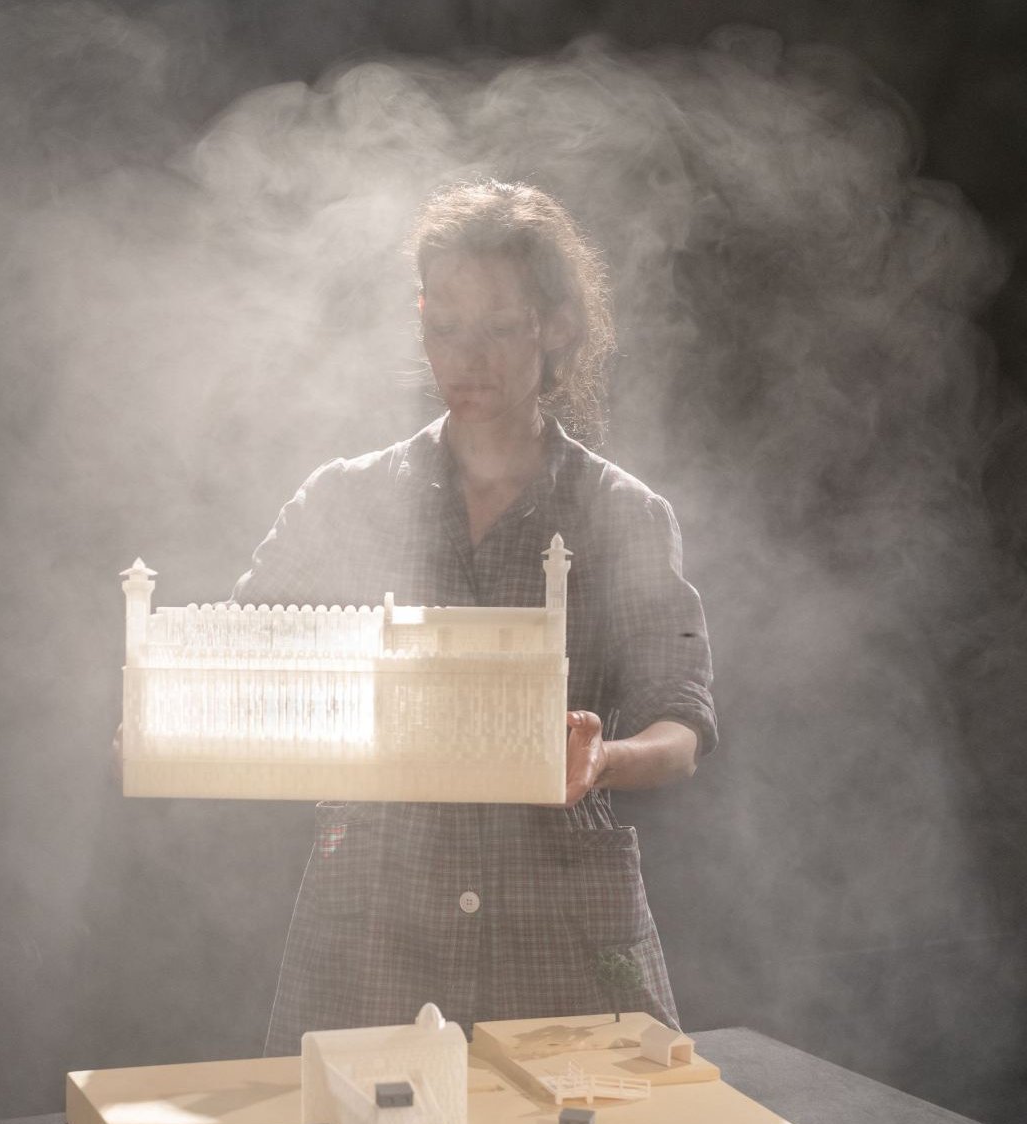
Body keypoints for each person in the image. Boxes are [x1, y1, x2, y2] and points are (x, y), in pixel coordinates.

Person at [233, 181, 717, 1054]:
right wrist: (164, 725)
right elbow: (231, 664)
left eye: (499, 326)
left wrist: (602, 756)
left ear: (557, 326)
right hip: (373, 924)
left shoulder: (623, 513)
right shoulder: (344, 499)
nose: (468, 357)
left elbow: (681, 724)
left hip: (556, 924)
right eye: (444, 326)